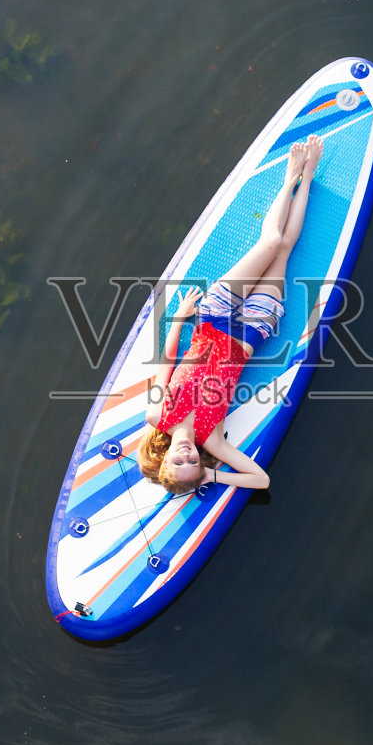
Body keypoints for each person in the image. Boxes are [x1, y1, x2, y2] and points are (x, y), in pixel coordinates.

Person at [138, 134, 323, 494]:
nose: (188, 456)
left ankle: (290, 178)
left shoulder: (157, 416)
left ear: (164, 460)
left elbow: (167, 361)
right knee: (284, 249)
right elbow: (261, 480)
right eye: (193, 465)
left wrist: (180, 316)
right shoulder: (212, 441)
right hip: (249, 336)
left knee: (268, 244)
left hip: (211, 320)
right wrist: (213, 475)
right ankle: (309, 173)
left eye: (178, 463)